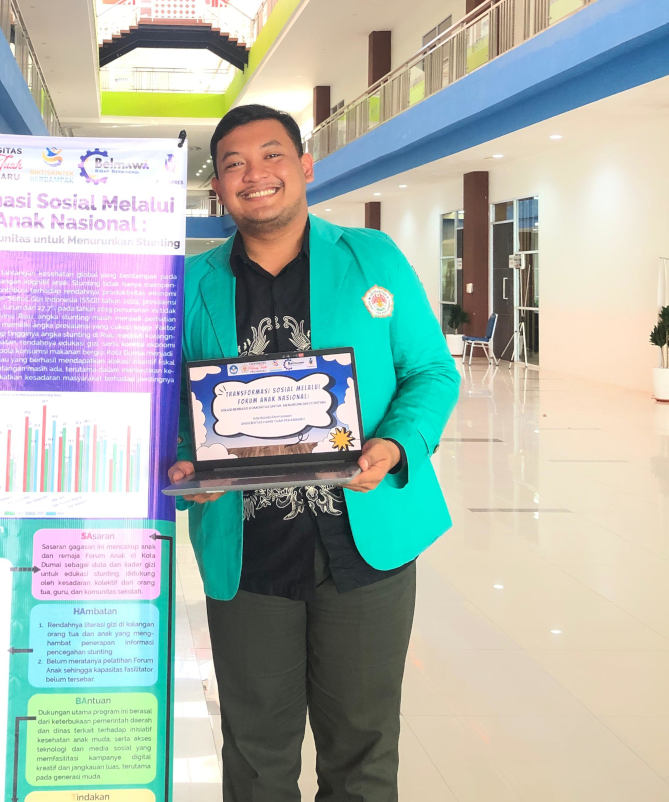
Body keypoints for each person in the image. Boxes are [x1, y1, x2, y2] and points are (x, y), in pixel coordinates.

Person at [168, 104, 460, 802]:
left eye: (271, 155)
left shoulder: (371, 258)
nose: (254, 174)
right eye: (234, 164)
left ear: (304, 166)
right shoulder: (189, 283)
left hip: (365, 548)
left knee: (363, 750)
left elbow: (430, 371)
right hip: (248, 554)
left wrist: (395, 443)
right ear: (219, 186)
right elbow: (168, 403)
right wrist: (187, 465)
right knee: (255, 757)